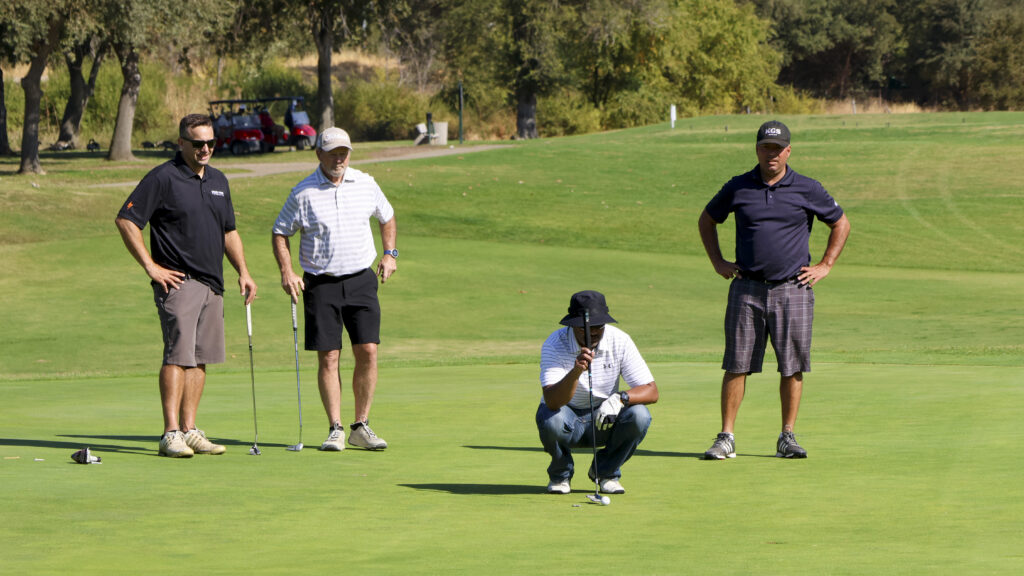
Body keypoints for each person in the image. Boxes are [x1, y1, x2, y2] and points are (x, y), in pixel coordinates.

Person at [697, 120, 851, 460]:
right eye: (766, 148)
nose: (772, 154)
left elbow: (841, 222)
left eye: (778, 148)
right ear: (757, 149)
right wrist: (718, 262)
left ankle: (787, 436)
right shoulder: (739, 187)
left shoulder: (808, 188)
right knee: (736, 364)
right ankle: (726, 437)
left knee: (792, 365)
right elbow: (707, 220)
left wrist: (825, 265)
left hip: (792, 288)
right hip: (746, 288)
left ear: (788, 151)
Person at [115, 114, 258, 458]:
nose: (206, 149)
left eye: (211, 143)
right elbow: (127, 219)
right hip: (179, 282)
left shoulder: (219, 180)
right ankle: (170, 433)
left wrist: (244, 271)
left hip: (213, 283)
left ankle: (190, 429)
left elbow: (229, 231)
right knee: (177, 356)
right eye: (198, 144)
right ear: (181, 143)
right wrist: (151, 266)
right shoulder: (163, 177)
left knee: (200, 358)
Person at [271, 127, 397, 452]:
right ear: (319, 155)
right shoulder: (302, 192)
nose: (339, 158)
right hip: (320, 284)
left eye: (344, 152)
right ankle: (336, 428)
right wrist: (287, 271)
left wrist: (389, 253)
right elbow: (280, 232)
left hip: (361, 279)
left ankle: (361, 425)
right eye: (332, 152)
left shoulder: (365, 183)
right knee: (329, 356)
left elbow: (387, 216)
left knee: (368, 350)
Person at [537, 290, 659, 494]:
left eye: (598, 327)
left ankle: (606, 472)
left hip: (604, 419)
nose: (592, 333)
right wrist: (576, 372)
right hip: (567, 418)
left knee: (639, 415)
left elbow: (651, 391)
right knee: (550, 419)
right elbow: (552, 401)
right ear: (573, 325)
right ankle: (561, 475)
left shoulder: (620, 340)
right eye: (585, 328)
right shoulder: (555, 343)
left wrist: (621, 398)